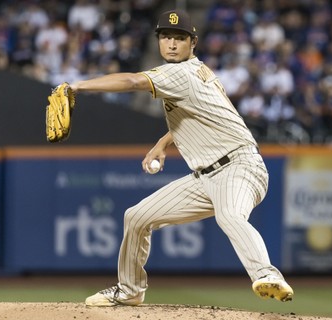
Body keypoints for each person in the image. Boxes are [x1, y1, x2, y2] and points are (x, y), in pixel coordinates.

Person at [69, 9, 294, 307]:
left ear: (193, 42)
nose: (172, 44)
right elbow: (200, 116)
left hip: (240, 167)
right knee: (136, 217)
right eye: (166, 37)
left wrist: (78, 86)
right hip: (205, 177)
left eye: (180, 38)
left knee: (229, 215)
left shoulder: (181, 73)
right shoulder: (198, 72)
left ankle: (267, 273)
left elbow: (134, 81)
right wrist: (163, 142)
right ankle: (130, 290)